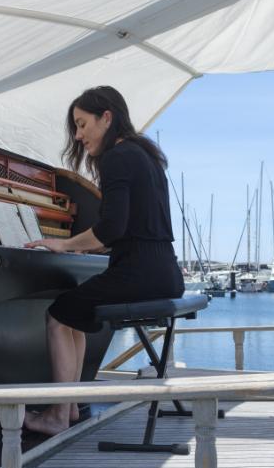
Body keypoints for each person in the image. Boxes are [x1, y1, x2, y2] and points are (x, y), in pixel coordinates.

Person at [23, 86, 184, 436]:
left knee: (56, 316)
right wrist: (86, 246)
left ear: (106, 117)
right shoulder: (145, 155)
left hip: (140, 272)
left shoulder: (117, 157)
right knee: (72, 316)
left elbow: (111, 228)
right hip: (164, 271)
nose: (78, 136)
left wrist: (64, 245)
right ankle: (69, 410)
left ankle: (56, 416)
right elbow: (129, 228)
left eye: (82, 125)